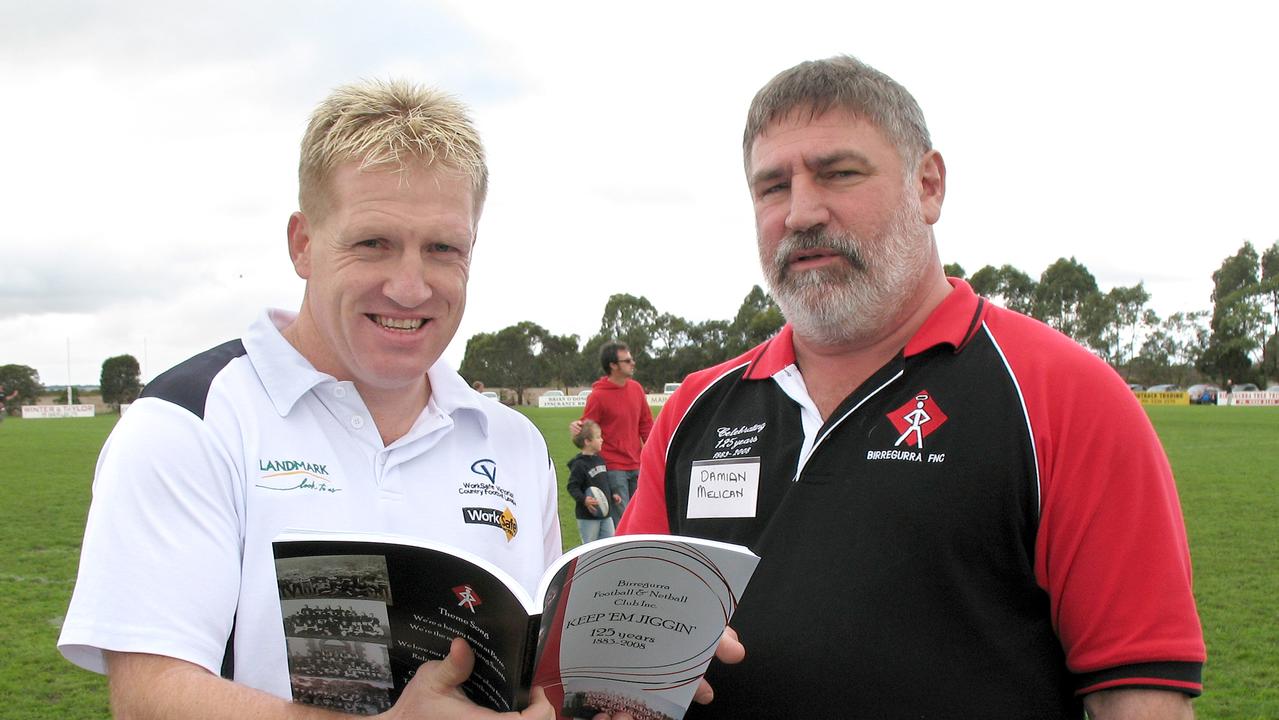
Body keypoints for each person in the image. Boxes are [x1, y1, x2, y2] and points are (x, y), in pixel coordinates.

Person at [618, 55, 1205, 719]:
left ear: (927, 186)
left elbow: (1140, 699)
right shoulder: (695, 410)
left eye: (839, 173)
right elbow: (629, 669)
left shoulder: (1063, 395)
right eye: (772, 187)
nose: (801, 212)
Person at [57, 79, 560, 719]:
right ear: (302, 244)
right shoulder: (193, 421)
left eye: (442, 249)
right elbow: (148, 697)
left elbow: (538, 671)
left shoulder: (513, 442)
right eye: (373, 243)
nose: (410, 287)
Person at [571, 342, 652, 526]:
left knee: (641, 516)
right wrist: (576, 428)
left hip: (638, 465)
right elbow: (587, 430)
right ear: (613, 365)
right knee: (622, 521)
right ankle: (624, 553)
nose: (633, 363)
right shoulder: (598, 396)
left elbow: (646, 424)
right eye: (627, 360)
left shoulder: (637, 389)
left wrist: (652, 453)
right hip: (613, 468)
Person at [565, 419, 615, 544]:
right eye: (598, 437)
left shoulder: (600, 460)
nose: (601, 439)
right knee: (590, 547)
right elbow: (572, 487)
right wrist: (584, 499)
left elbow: (605, 482)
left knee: (609, 545)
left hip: (606, 514)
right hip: (588, 516)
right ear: (587, 441)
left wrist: (613, 494)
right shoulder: (579, 465)